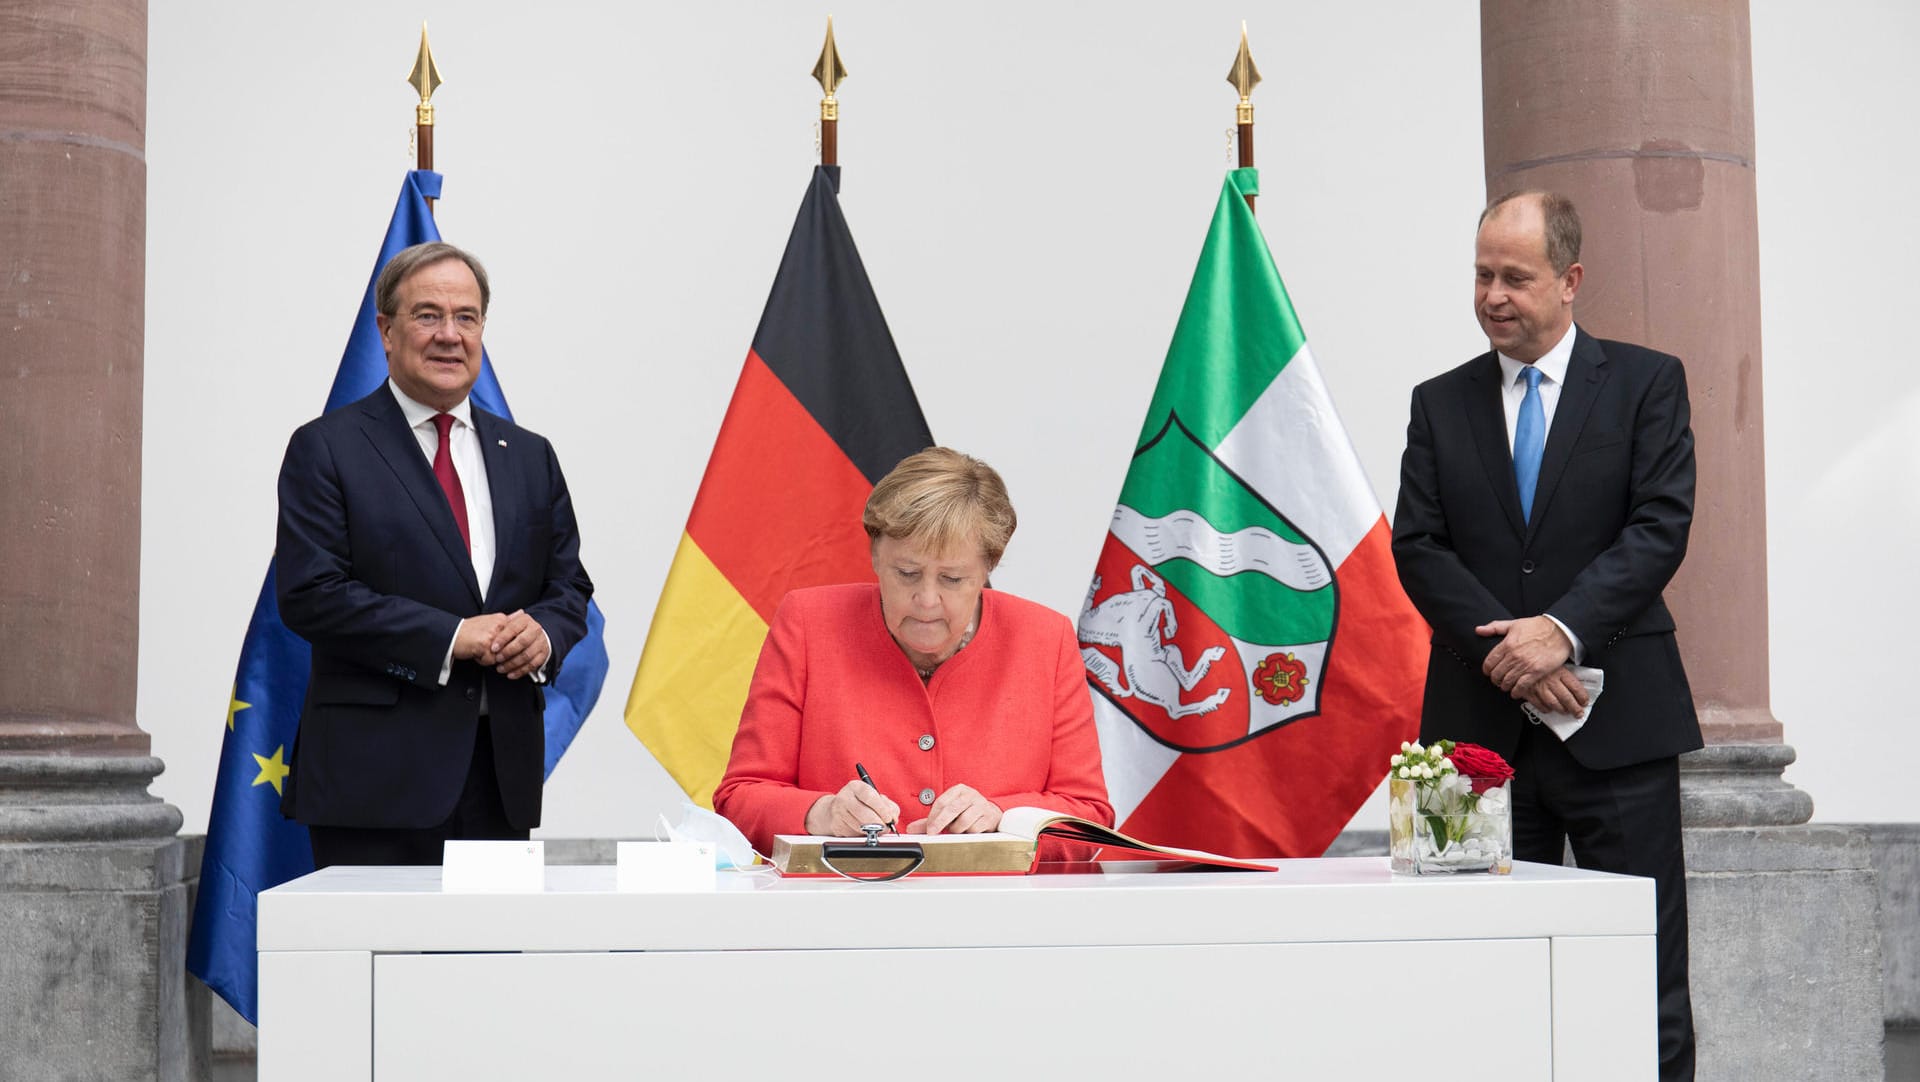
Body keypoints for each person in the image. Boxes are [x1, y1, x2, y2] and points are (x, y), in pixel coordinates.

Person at [1392, 191, 1700, 1080]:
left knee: (1643, 976)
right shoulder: (1439, 403)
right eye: (1482, 275)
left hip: (1620, 735)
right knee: (1481, 973)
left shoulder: (1646, 383)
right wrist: (1517, 661)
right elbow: (1418, 545)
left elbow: (1658, 529)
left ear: (1569, 281)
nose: (1493, 295)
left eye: (1515, 277)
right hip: (1476, 739)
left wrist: (1561, 634)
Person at [275, 241, 594, 869]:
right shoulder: (327, 448)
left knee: (486, 966)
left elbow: (569, 587)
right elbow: (311, 596)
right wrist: (454, 637)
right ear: (386, 332)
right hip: (372, 786)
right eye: (427, 315)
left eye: (466, 317)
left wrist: (546, 635)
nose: (450, 335)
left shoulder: (530, 455)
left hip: (500, 779)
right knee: (374, 965)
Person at [715, 447, 1112, 854]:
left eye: (953, 579)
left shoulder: (1045, 639)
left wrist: (1003, 817)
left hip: (997, 910)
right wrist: (822, 812)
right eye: (906, 573)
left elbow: (1090, 815)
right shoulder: (807, 623)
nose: (926, 600)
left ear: (988, 568)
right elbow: (740, 798)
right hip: (839, 909)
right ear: (874, 555)